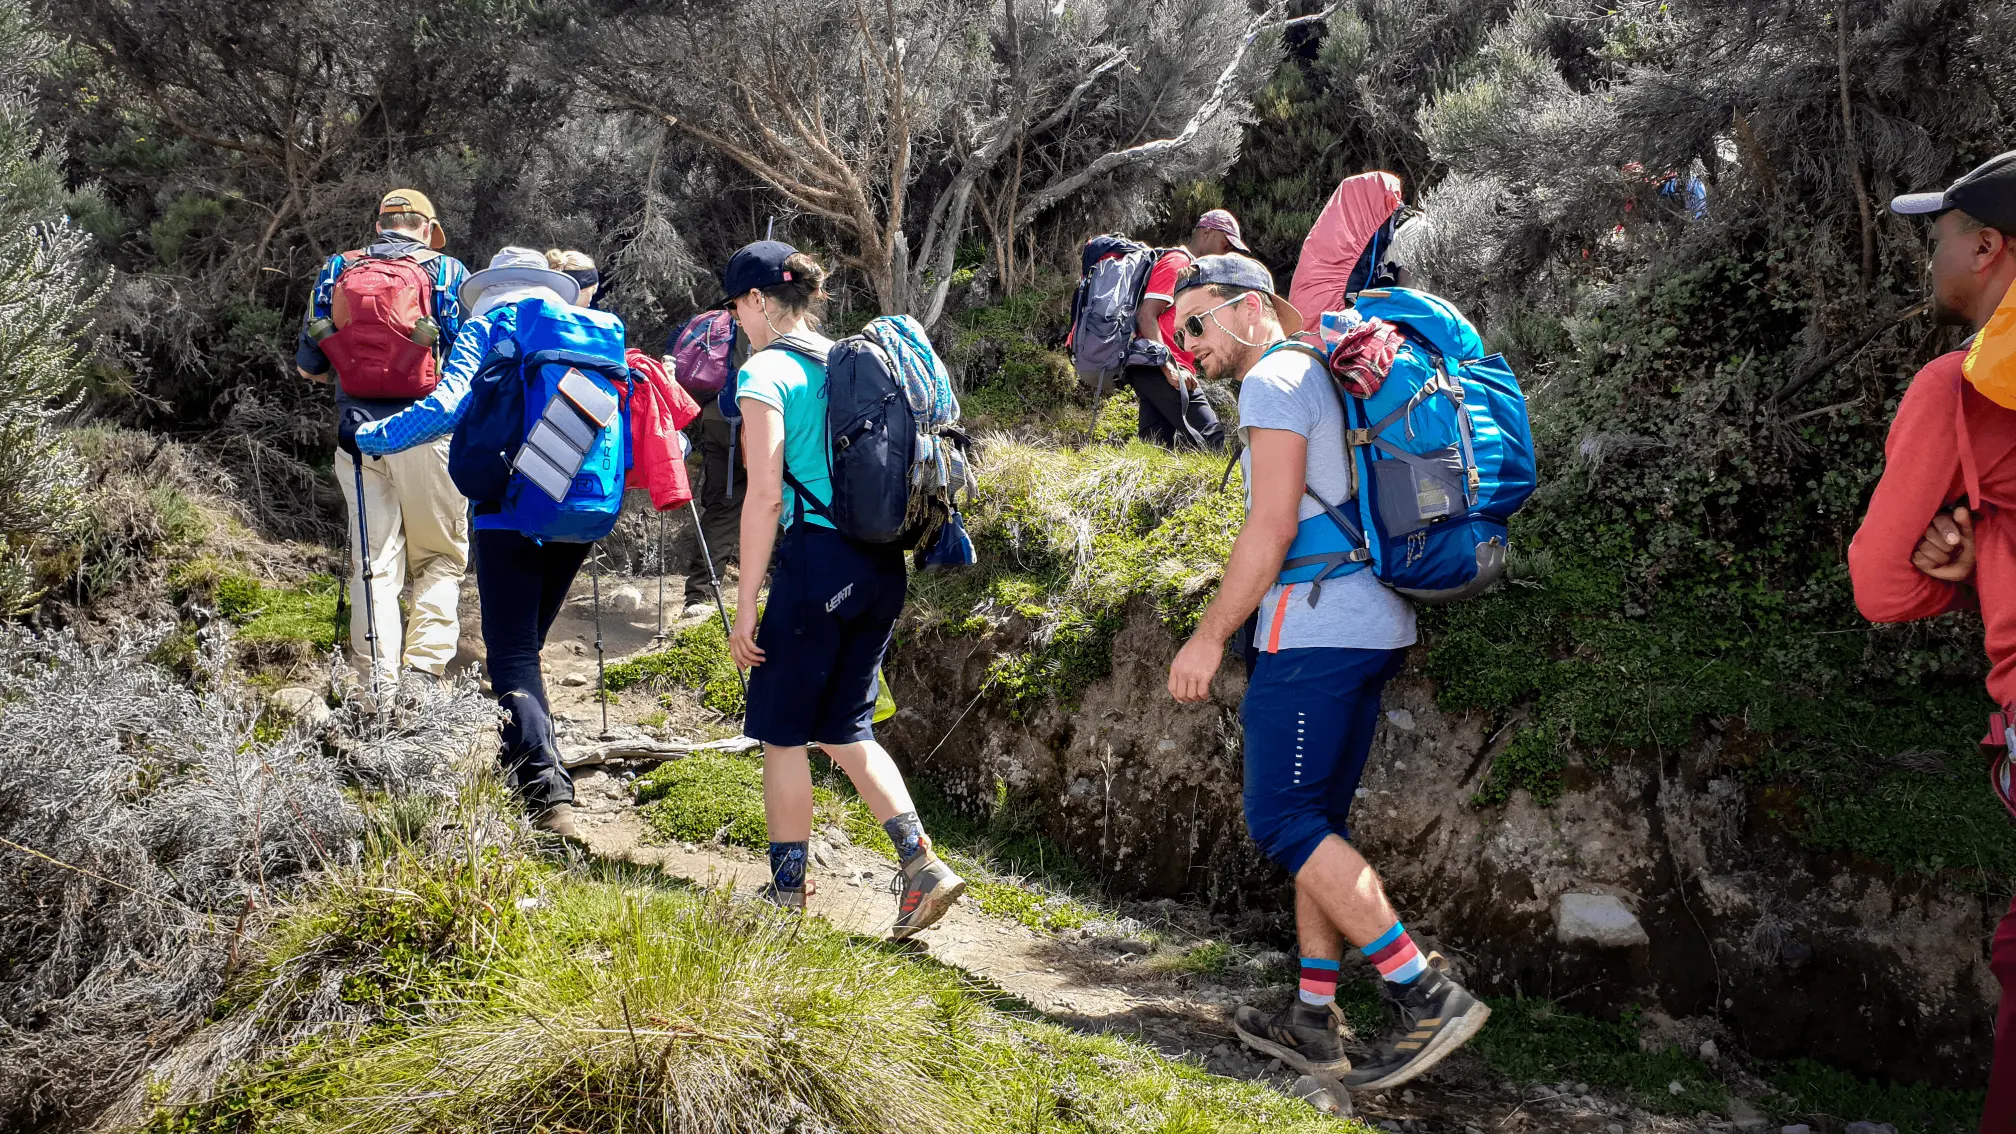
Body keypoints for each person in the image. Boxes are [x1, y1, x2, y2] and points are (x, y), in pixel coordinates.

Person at [1165, 254, 1489, 1089]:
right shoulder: (1317, 363)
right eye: (1176, 329)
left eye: (1196, 321)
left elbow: (1271, 528)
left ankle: (1423, 992)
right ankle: (1314, 1018)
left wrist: (1206, 637)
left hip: (1314, 630)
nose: (1185, 342)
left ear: (1246, 308)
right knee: (1318, 823)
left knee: (1280, 820)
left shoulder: (1273, 381)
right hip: (1369, 623)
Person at [721, 240, 966, 938]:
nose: (739, 320)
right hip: (883, 566)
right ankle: (922, 866)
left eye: (740, 306)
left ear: (764, 303)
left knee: (782, 737)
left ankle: (787, 897)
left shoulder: (766, 372)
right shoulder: (851, 361)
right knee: (845, 728)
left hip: (817, 564)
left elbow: (765, 496)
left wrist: (745, 609)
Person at [1847, 149, 2016, 1132]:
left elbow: (1882, 585)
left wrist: (1960, 571)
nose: (1929, 253)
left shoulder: (1960, 391)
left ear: (1988, 247)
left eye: (1938, 233)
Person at [350, 246, 604, 838]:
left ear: (492, 285)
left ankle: (547, 795)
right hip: (579, 507)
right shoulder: (588, 330)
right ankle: (518, 751)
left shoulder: (489, 324)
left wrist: (370, 436)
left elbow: (446, 406)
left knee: (513, 653)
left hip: (508, 507)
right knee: (526, 646)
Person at [298, 189, 470, 687]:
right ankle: (422, 673)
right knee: (439, 556)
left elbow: (309, 366)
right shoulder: (448, 272)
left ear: (380, 226)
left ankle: (379, 679)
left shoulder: (337, 269)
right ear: (428, 228)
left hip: (358, 437)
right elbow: (462, 359)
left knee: (374, 561)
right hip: (427, 433)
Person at [1117, 210, 1249, 451]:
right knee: (1211, 438)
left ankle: (1147, 488)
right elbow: (1146, 315)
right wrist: (1168, 366)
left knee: (1155, 447)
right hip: (1160, 365)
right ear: (1207, 233)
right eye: (1225, 243)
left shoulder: (1191, 270)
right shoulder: (1179, 263)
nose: (1227, 252)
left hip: (1151, 366)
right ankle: (1219, 489)